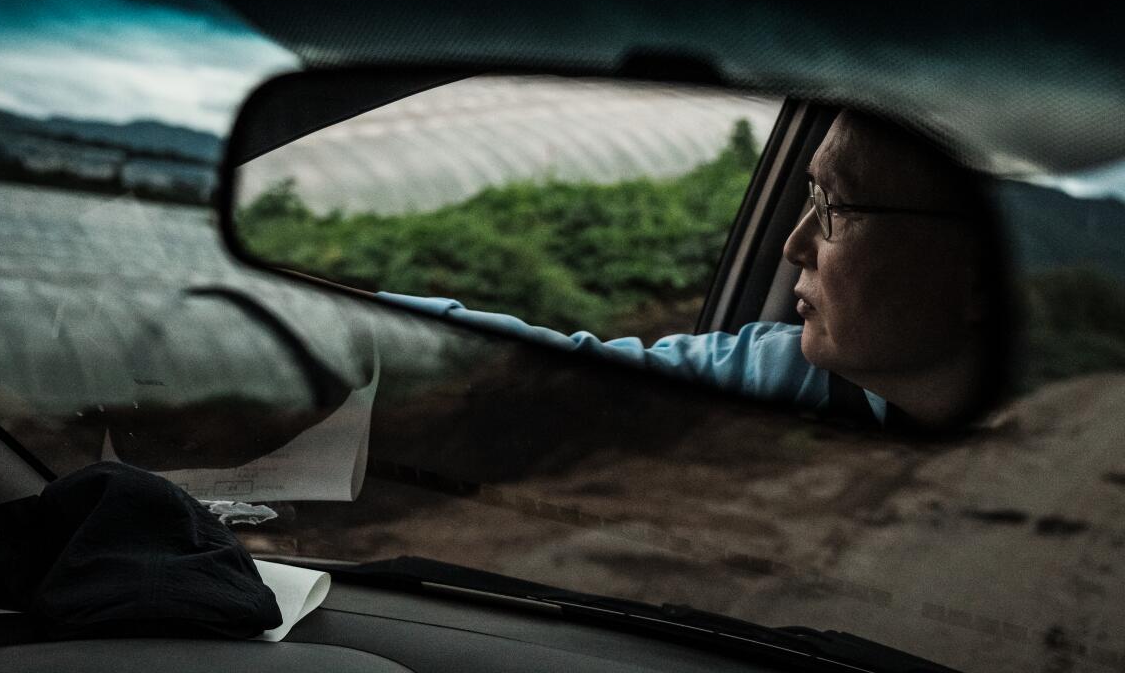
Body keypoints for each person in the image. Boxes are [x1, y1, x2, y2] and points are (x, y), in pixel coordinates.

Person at [379, 108, 995, 430]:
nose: (793, 244)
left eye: (833, 206)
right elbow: (567, 368)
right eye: (809, 197)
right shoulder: (777, 369)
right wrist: (361, 329)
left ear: (975, 275)